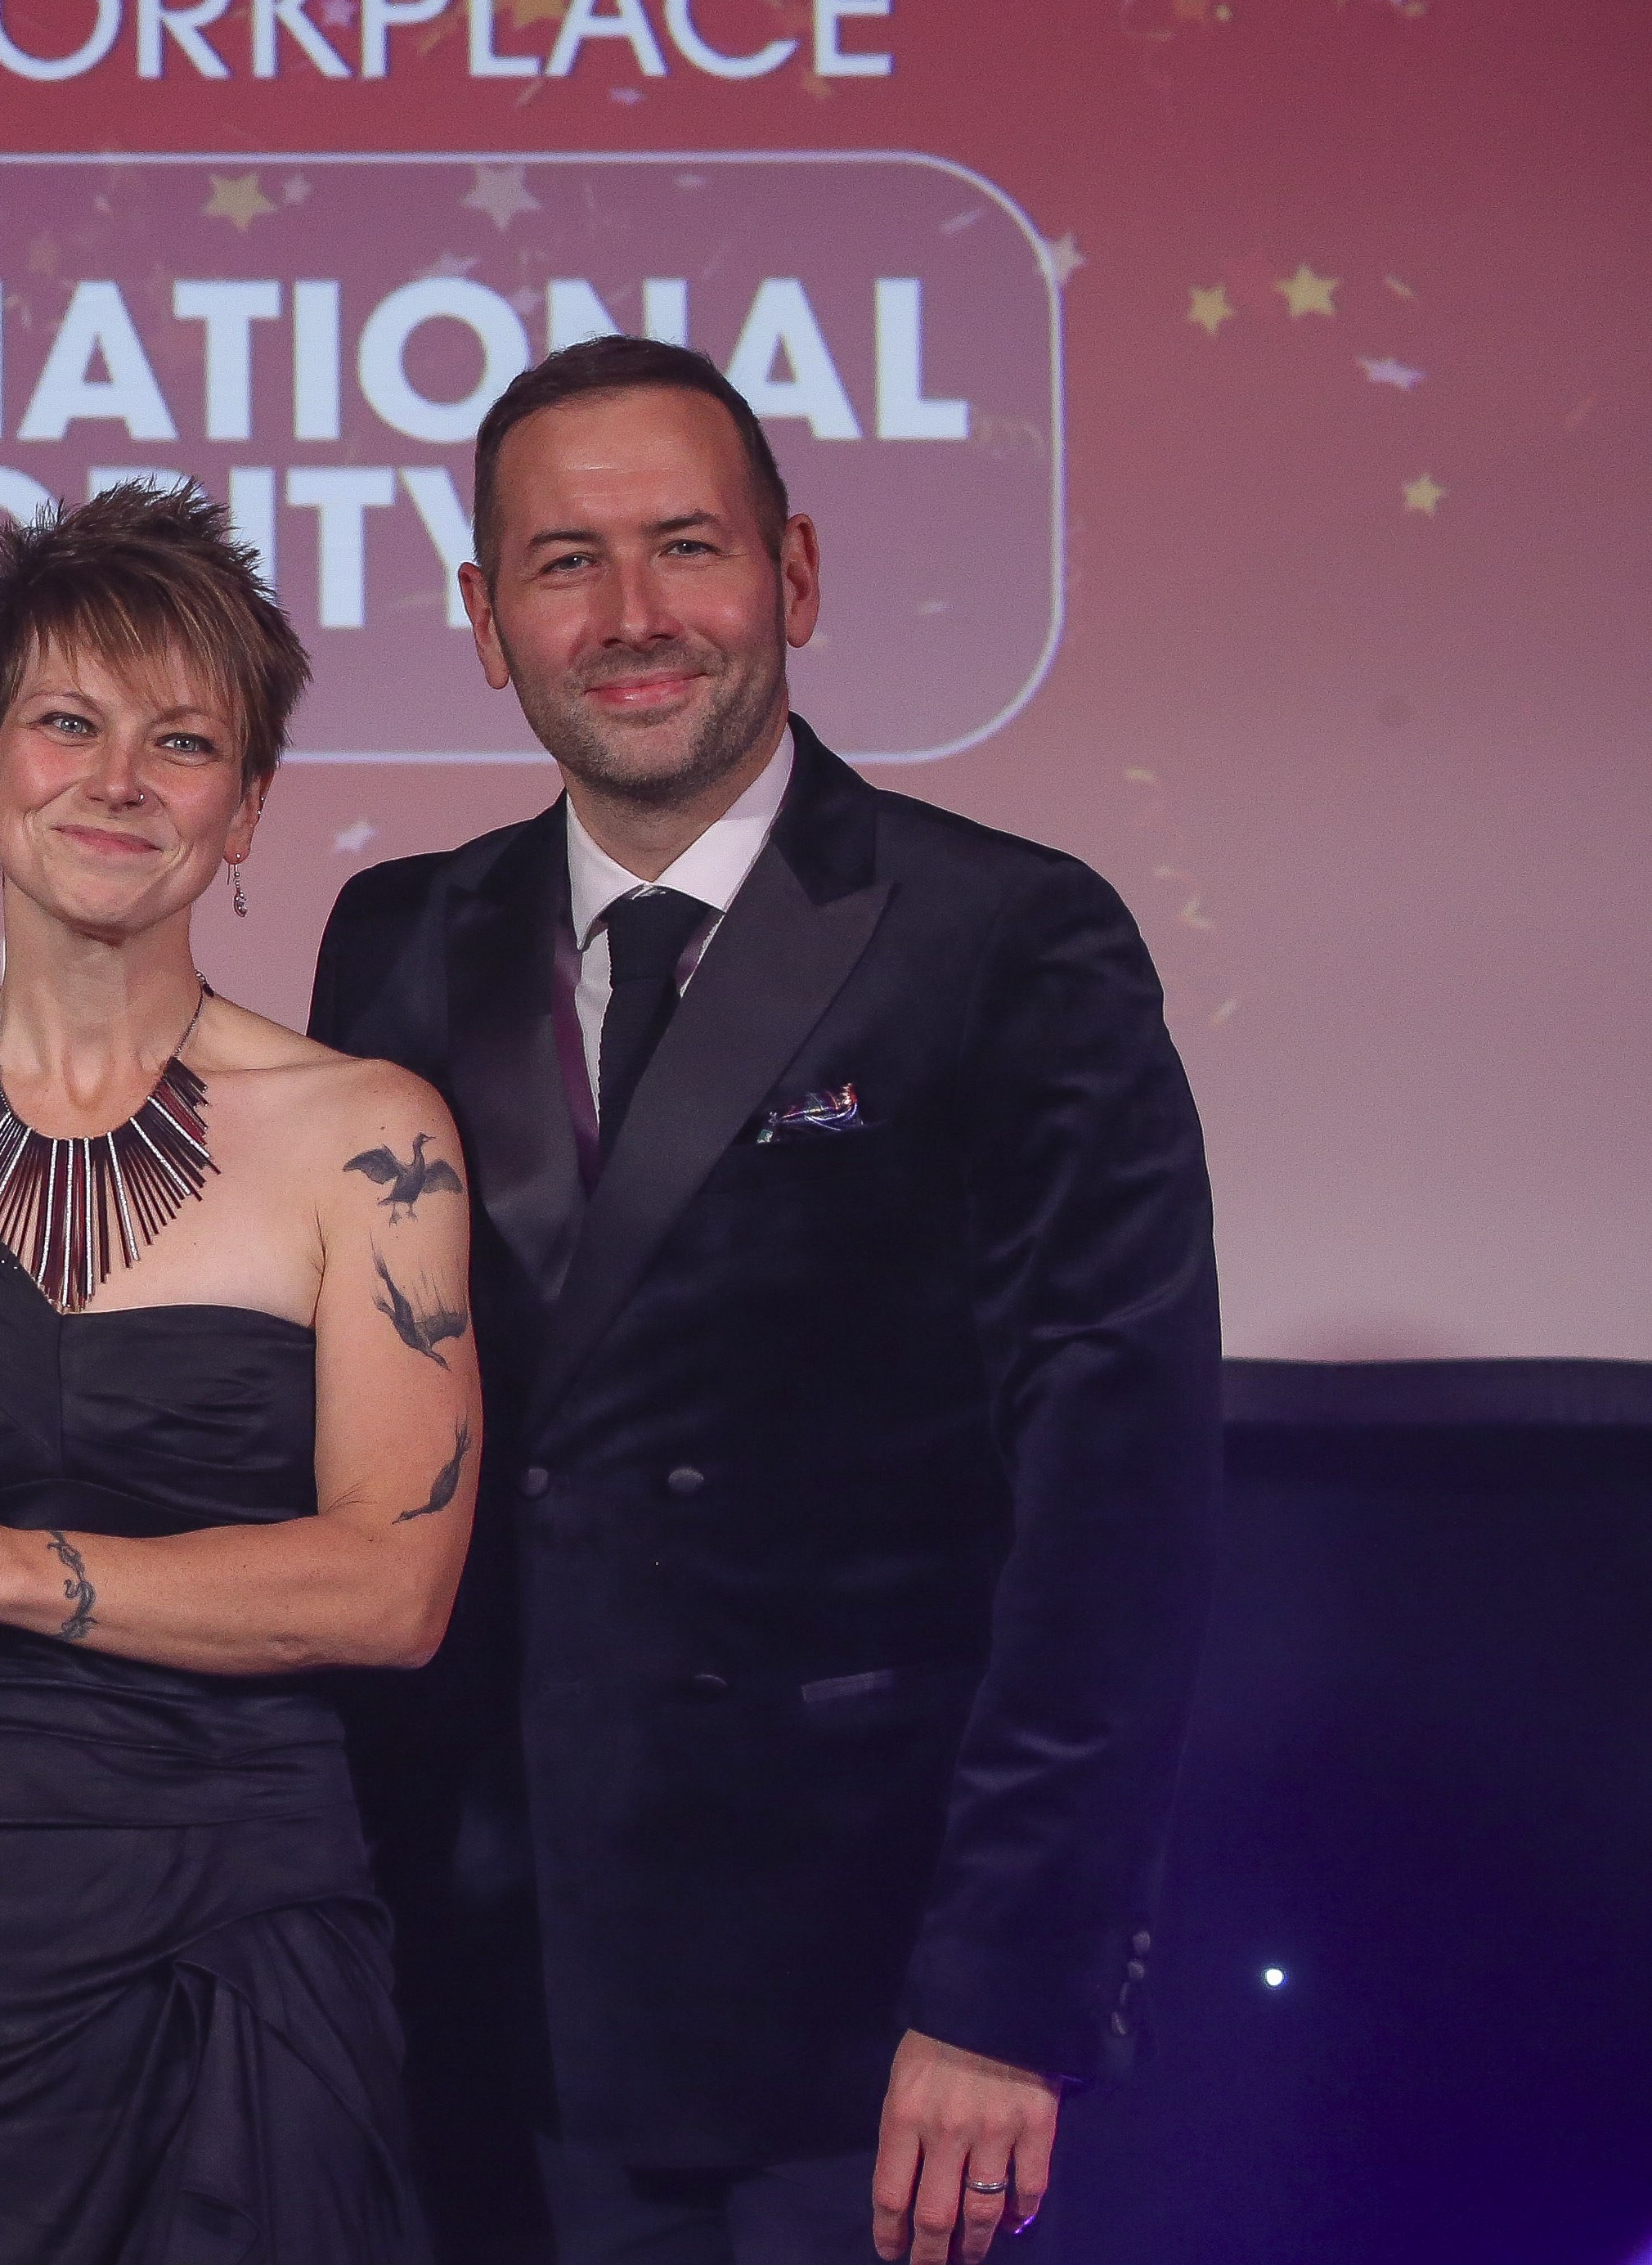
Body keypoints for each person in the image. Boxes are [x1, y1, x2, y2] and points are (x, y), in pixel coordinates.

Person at [308, 335, 1220, 2265]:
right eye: (564, 562)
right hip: (472, 1989)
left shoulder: (1011, 937)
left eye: (685, 547)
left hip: (861, 2024)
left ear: (793, 575)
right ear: (483, 617)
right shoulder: (397, 936)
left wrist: (1003, 1991)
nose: (633, 618)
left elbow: (1112, 1516)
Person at [0, 483, 466, 2265]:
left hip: (248, 1915)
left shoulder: (371, 1132)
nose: (119, 778)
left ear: (248, 807)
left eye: (184, 739)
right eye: (67, 721)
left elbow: (394, 1583)